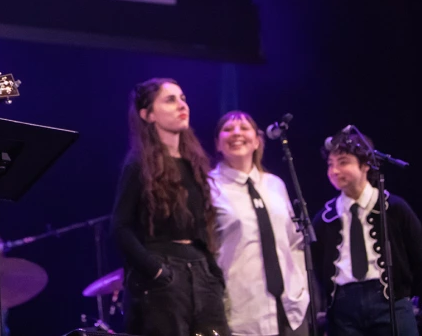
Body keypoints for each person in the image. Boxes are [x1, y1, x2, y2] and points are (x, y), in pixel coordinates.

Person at [111, 78, 230, 336]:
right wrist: (154, 270)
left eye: (183, 98)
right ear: (148, 114)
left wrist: (213, 271)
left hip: (200, 270)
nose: (181, 105)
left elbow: (200, 225)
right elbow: (120, 227)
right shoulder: (138, 164)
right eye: (170, 100)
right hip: (164, 271)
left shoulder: (194, 163)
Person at [311, 126, 422, 336]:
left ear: (365, 165)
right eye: (330, 165)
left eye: (343, 162)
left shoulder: (394, 208)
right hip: (343, 306)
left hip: (390, 300)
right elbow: (317, 265)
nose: (334, 171)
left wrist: (402, 292)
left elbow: (416, 255)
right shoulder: (324, 218)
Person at [210, 111, 309, 336]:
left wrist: (300, 288)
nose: (236, 133)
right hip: (241, 314)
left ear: (256, 141)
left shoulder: (275, 185)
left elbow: (295, 242)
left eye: (244, 128)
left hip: (290, 311)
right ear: (217, 143)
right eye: (228, 129)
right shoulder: (209, 188)